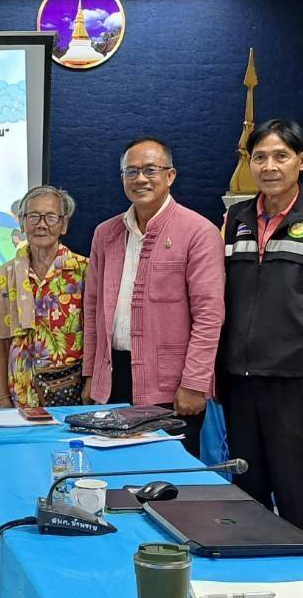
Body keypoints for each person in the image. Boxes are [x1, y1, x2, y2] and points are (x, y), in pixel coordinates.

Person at [218, 119, 303, 543]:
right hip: (238, 379)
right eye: (259, 157)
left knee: (299, 493)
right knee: (246, 493)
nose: (270, 166)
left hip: (296, 380)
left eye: (281, 156)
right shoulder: (234, 218)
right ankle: (251, 572)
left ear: (302, 160)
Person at [83, 136, 224, 455]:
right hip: (113, 379)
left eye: (150, 170)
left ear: (170, 175)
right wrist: (92, 374)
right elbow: (92, 310)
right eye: (131, 171)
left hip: (172, 386)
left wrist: (194, 383)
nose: (140, 179)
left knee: (167, 474)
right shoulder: (105, 234)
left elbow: (209, 316)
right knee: (115, 469)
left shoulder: (199, 232)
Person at [0, 186, 89, 407]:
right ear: (22, 223)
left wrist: (92, 384)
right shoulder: (3, 277)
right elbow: (0, 340)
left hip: (72, 394)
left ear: (64, 224)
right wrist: (2, 396)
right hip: (21, 397)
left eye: (50, 217)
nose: (41, 224)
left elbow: (97, 337)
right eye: (33, 216)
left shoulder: (85, 271)